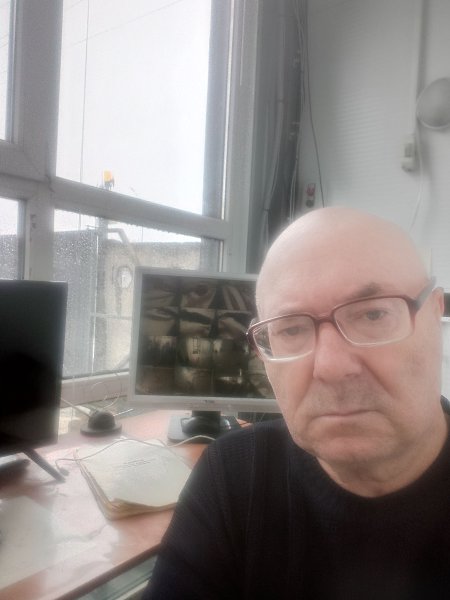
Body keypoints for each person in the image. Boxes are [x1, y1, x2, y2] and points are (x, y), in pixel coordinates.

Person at [143, 207, 450, 599]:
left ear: (435, 315)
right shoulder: (235, 475)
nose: (330, 367)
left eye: (373, 314)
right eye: (290, 329)